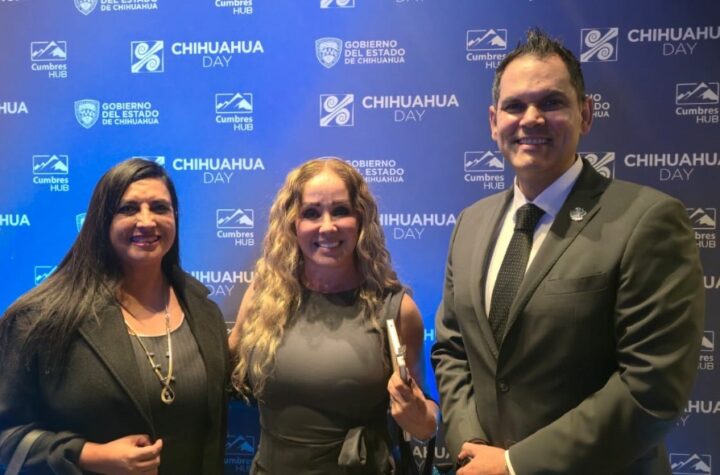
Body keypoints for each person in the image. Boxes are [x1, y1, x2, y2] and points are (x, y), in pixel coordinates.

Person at [431, 28, 704, 475]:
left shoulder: (647, 220)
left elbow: (651, 388)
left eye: (551, 102)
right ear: (494, 122)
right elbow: (452, 349)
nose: (531, 119)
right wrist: (470, 443)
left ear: (586, 114)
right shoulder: (470, 224)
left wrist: (515, 465)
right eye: (515, 106)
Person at [0, 158, 230, 474]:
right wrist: (89, 455)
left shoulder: (204, 312)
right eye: (128, 209)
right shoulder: (39, 319)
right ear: (102, 221)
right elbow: (6, 435)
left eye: (160, 208)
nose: (146, 221)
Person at [229, 157, 438, 475]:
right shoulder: (264, 296)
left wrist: (419, 416)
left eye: (340, 211)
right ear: (293, 223)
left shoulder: (396, 310)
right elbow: (220, 369)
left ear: (361, 219)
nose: (327, 226)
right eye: (312, 213)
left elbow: (424, 423)